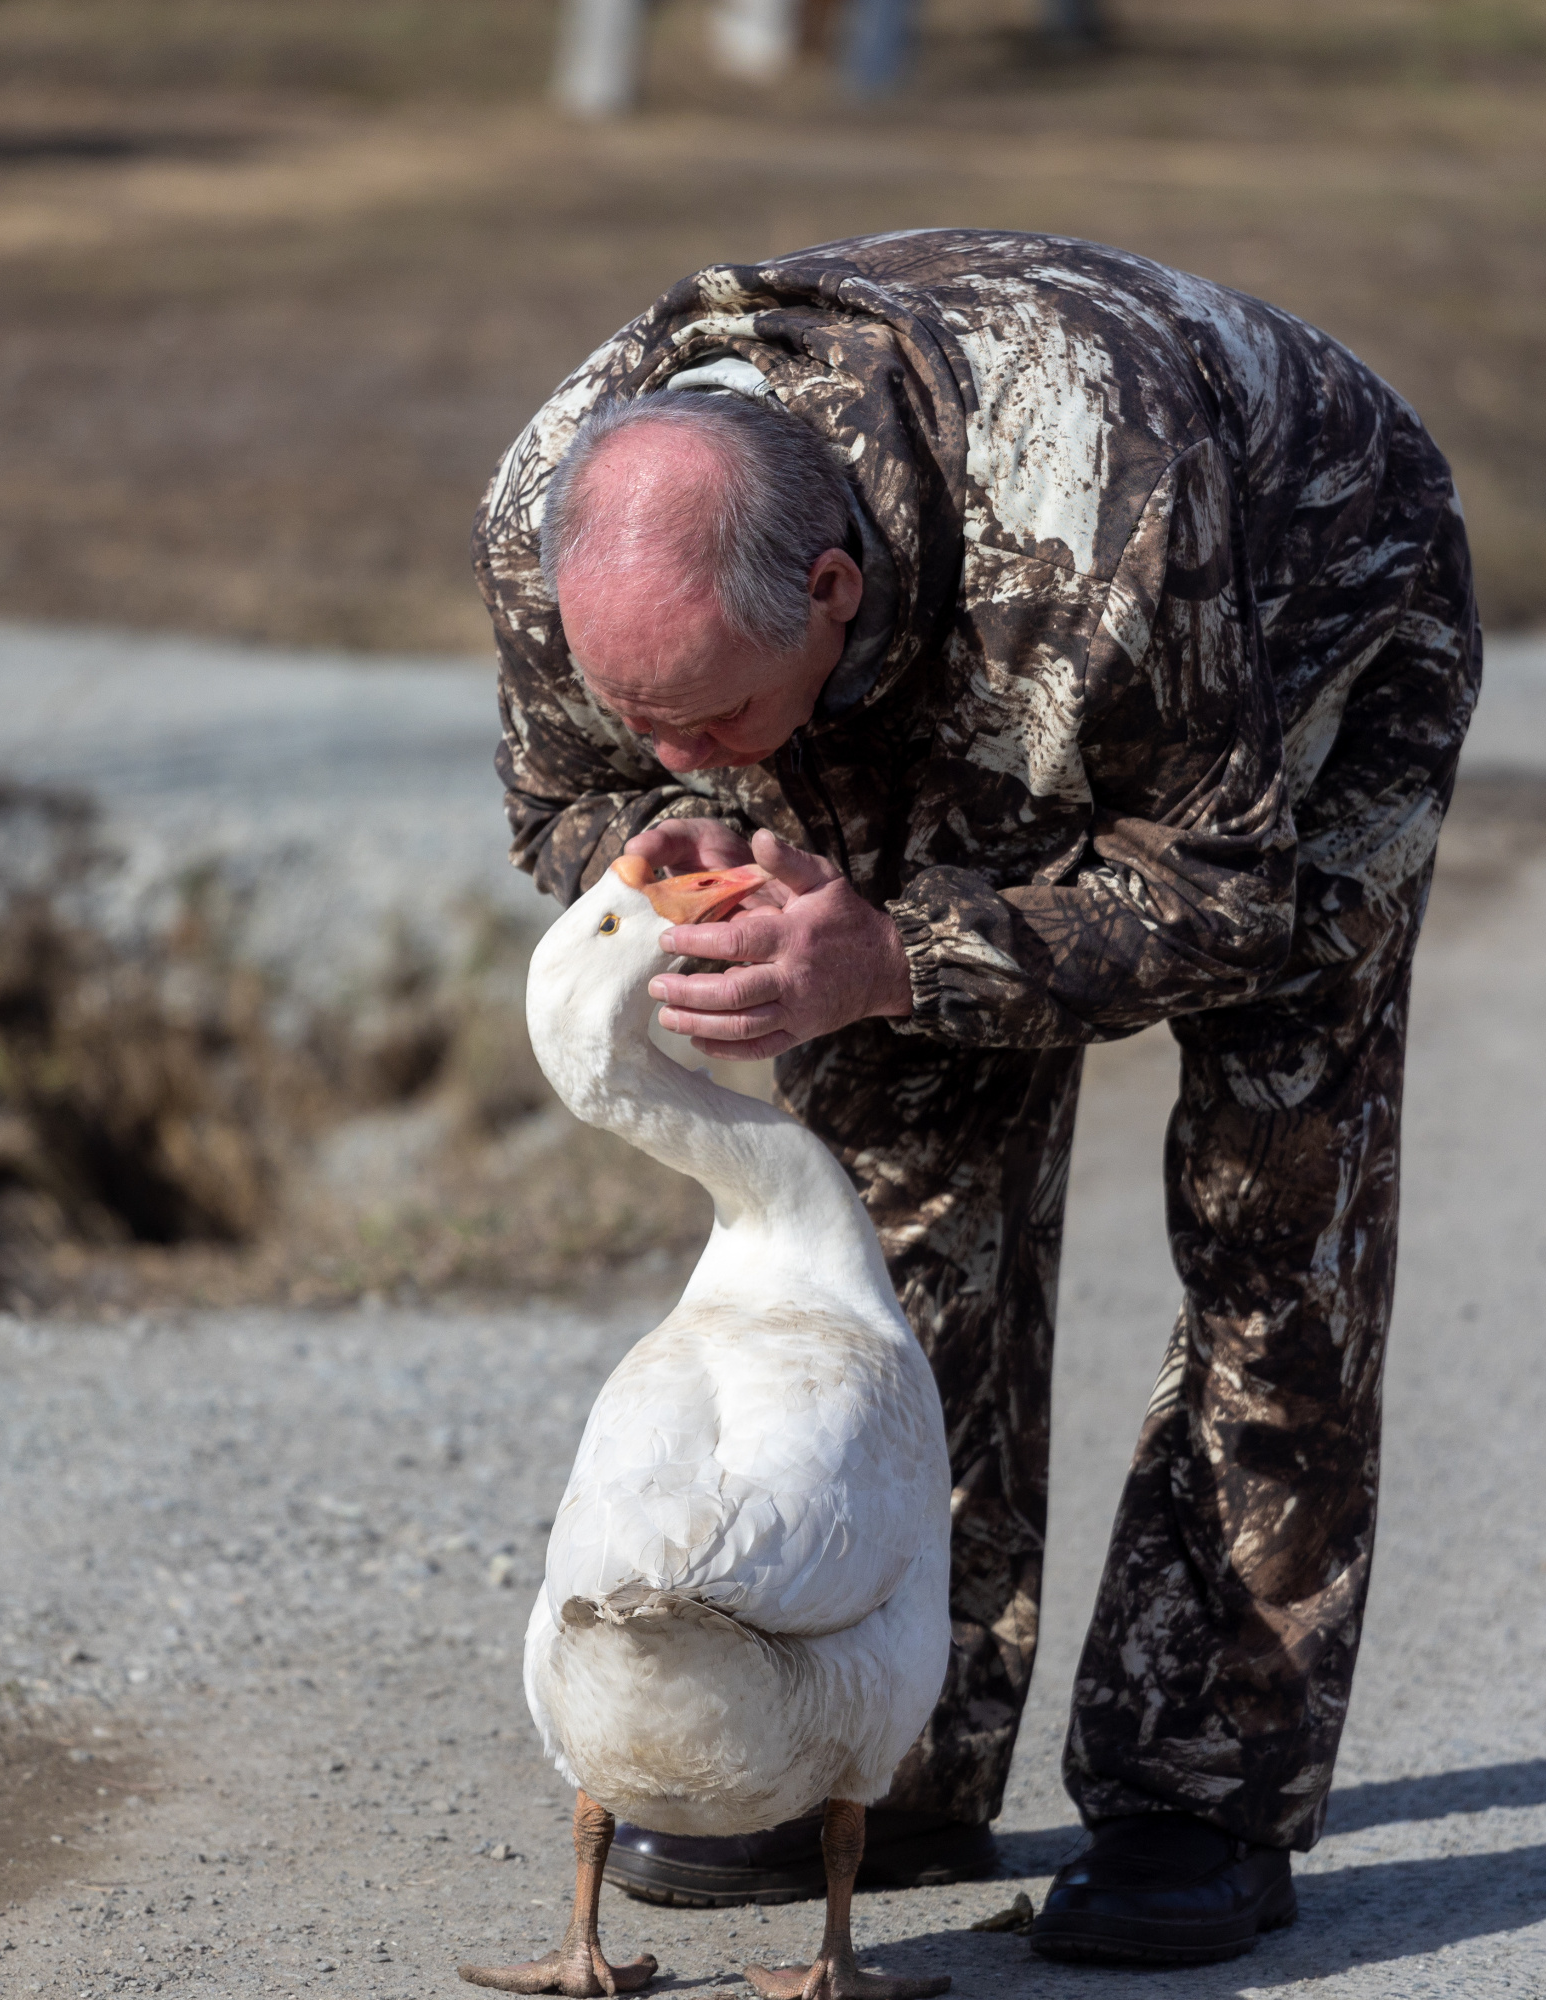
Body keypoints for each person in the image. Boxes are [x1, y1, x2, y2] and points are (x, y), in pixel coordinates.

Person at [477, 229, 1480, 1969]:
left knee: (1272, 1223)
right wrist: (667, 852)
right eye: (636, 707)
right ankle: (891, 1759)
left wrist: (895, 954)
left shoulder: (1108, 522)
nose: (673, 749)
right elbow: (570, 806)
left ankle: (1199, 1787)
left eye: (705, 712)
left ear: (830, 598)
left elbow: (1218, 898)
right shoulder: (553, 514)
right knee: (891, 1222)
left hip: (1296, 656)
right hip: (961, 639)